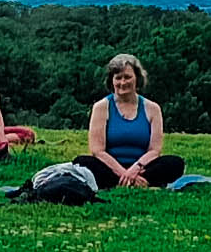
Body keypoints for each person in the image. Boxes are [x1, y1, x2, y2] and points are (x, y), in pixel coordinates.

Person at [75, 53, 184, 189]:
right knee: (81, 163)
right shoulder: (101, 107)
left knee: (175, 163)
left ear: (137, 79)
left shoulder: (152, 108)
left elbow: (155, 150)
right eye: (118, 78)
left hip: (142, 168)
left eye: (127, 77)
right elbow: (97, 151)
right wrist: (124, 173)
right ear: (112, 80)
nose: (122, 82)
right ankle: (134, 183)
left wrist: (135, 169)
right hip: (110, 168)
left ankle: (129, 182)